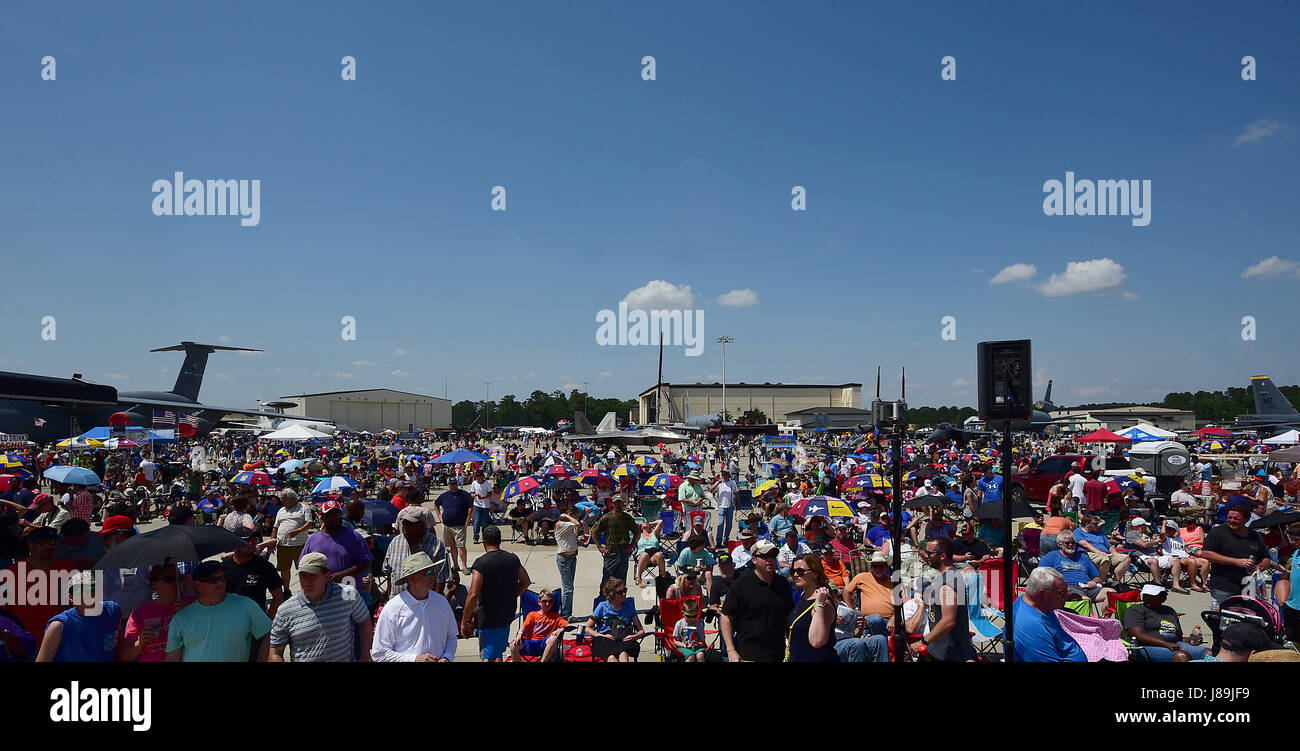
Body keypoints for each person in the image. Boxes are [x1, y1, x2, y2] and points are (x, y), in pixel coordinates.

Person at [269, 552, 372, 662]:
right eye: (303, 575)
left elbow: (364, 622)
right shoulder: (285, 610)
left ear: (327, 576)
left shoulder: (347, 595)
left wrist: (365, 656)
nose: (306, 582)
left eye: (312, 575)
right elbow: (275, 652)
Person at [165, 560, 273, 662]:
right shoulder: (181, 618)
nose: (220, 583)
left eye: (222, 578)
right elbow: (172, 658)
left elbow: (269, 633)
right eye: (213, 580)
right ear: (198, 585)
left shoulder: (246, 606)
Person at [371, 552, 459, 662]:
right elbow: (379, 654)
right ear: (412, 578)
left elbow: (451, 637)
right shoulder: (393, 608)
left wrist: (447, 657)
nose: (433, 576)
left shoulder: (441, 602)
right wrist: (414, 659)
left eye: (434, 571)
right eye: (428, 573)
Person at [461, 526, 530, 662]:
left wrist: (464, 621)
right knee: (497, 652)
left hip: (489, 618)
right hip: (507, 614)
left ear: (484, 541)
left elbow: (473, 594)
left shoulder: (481, 563)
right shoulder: (512, 559)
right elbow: (525, 582)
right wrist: (511, 595)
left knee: (491, 656)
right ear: (499, 541)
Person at [720, 540, 795, 662]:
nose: (770, 560)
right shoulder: (741, 585)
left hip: (777, 654)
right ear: (754, 559)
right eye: (765, 556)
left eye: (773, 556)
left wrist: (790, 642)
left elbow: (788, 617)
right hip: (749, 654)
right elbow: (726, 617)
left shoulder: (783, 584)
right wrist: (731, 650)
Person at [4, 526, 78, 645]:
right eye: (42, 543)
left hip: (62, 643)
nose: (49, 547)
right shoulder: (12, 574)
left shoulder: (69, 569)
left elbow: (86, 603)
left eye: (53, 543)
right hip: (26, 646)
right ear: (30, 544)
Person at [35, 571, 121, 662]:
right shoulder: (58, 626)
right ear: (70, 597)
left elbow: (119, 651)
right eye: (78, 590)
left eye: (90, 588)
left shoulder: (112, 610)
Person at [118, 563, 195, 662]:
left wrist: (190, 614)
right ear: (154, 584)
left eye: (178, 578)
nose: (175, 583)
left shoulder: (194, 603)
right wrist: (139, 643)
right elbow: (124, 656)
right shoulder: (139, 613)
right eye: (168, 579)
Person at [914, 537, 975, 662]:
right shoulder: (945, 578)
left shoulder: (949, 581)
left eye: (930, 553)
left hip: (950, 653)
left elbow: (948, 621)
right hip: (939, 650)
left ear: (943, 556)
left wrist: (923, 641)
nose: (925, 556)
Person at [1199, 503, 1270, 608]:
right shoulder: (1218, 532)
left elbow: (1266, 558)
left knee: (1246, 618)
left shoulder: (1255, 536)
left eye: (1236, 518)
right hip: (1223, 586)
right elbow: (1206, 553)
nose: (1231, 520)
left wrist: (1260, 567)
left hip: (1249, 587)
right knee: (1227, 618)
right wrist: (1236, 562)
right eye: (1229, 517)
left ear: (1246, 519)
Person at [1011, 567, 1087, 662]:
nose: (1066, 596)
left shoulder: (1038, 605)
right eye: (1061, 593)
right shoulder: (1032, 625)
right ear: (1042, 594)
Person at [1123, 583, 1209, 662]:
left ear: (1163, 598)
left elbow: (1178, 637)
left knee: (1209, 653)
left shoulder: (1169, 611)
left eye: (1152, 596)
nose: (1147, 598)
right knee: (1181, 656)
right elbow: (1138, 634)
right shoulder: (1135, 610)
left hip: (1173, 644)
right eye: (1145, 595)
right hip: (1144, 646)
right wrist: (1166, 644)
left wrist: (1191, 640)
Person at [300, 500, 372, 590]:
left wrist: (339, 576)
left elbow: (365, 563)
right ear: (322, 517)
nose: (334, 518)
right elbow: (302, 565)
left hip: (348, 592)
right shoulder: (312, 540)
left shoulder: (355, 536)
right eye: (330, 515)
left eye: (337, 514)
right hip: (321, 591)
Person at [383, 506, 452, 597]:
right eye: (404, 523)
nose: (405, 527)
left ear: (422, 526)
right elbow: (389, 572)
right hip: (398, 601)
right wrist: (389, 597)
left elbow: (442, 579)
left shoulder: (437, 545)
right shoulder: (395, 542)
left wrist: (432, 603)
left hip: (425, 604)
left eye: (410, 524)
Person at [583, 577, 645, 663]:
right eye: (620, 592)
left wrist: (634, 636)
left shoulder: (628, 606)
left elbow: (641, 630)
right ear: (612, 594)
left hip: (624, 637)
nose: (624, 594)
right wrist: (601, 636)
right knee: (611, 658)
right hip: (606, 638)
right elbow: (587, 628)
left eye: (625, 590)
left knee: (623, 655)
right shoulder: (603, 606)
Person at [1124, 518, 1187, 593]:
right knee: (1154, 561)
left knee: (1175, 560)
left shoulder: (1147, 534)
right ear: (1140, 526)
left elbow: (1160, 537)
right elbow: (1143, 545)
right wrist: (1156, 540)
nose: (1146, 527)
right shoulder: (1131, 534)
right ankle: (1158, 584)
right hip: (1140, 557)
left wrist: (1156, 541)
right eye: (1145, 525)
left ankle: (1176, 585)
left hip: (1154, 556)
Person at [591, 496, 638, 591]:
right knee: (607, 581)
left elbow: (637, 532)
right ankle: (604, 601)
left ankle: (619, 602)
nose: (618, 505)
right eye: (616, 503)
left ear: (623, 504)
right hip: (610, 554)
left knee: (621, 582)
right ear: (613, 504)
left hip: (623, 553)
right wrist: (600, 547)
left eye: (620, 503)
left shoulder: (627, 518)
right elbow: (593, 531)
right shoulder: (607, 517)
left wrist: (631, 546)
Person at [510, 589, 567, 662]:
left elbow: (567, 626)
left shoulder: (555, 616)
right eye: (544, 601)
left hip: (545, 643)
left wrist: (560, 630)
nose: (547, 604)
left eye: (550, 602)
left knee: (553, 639)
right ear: (539, 602)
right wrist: (519, 634)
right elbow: (524, 625)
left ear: (553, 603)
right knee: (513, 645)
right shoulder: (532, 615)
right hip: (530, 642)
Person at [272, 490, 312, 591]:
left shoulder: (303, 508)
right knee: (284, 569)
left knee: (303, 569)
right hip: (283, 545)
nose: (281, 500)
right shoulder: (281, 510)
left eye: (283, 498)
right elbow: (275, 527)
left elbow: (309, 523)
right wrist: (272, 541)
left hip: (299, 545)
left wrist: (298, 531)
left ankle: (305, 590)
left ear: (292, 498)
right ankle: (286, 590)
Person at [433, 476, 473, 575]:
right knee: (452, 546)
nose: (453, 486)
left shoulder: (464, 494)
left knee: (461, 546)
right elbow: (436, 504)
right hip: (447, 525)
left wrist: (468, 521)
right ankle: (455, 565)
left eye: (455, 483)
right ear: (448, 485)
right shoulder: (444, 496)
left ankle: (464, 566)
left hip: (460, 525)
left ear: (457, 484)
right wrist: (439, 516)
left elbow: (471, 507)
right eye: (451, 484)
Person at [1073, 514, 1131, 581]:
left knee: (1126, 558)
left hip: (1106, 554)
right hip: (1090, 554)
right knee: (1104, 559)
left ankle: (1116, 581)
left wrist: (1115, 554)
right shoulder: (1078, 532)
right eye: (1095, 524)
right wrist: (1099, 552)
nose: (1097, 526)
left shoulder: (1099, 532)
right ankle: (1102, 581)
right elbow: (1085, 544)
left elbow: (1109, 546)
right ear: (1087, 524)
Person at [1161, 518, 1210, 592]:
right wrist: (1164, 523)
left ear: (1174, 530)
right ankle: (1193, 584)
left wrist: (1189, 554)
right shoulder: (1165, 539)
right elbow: (1162, 533)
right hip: (1174, 558)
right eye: (1167, 529)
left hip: (1185, 557)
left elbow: (1184, 549)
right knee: (1192, 562)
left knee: (1205, 561)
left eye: (1170, 529)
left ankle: (1203, 584)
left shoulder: (1179, 539)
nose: (1168, 530)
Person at [553, 505, 581, 620]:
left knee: (570, 588)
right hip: (564, 559)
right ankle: (565, 614)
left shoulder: (568, 526)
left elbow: (574, 535)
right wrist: (565, 515)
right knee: (568, 588)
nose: (577, 519)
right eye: (575, 517)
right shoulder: (561, 524)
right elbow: (577, 524)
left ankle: (568, 612)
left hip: (572, 557)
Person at [672, 597, 707, 662]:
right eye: (688, 616)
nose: (691, 619)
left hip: (696, 646)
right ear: (683, 613)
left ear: (697, 614)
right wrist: (684, 645)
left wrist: (697, 643)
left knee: (700, 655)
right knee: (691, 655)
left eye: (694, 616)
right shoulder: (679, 624)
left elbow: (702, 642)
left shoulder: (699, 624)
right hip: (683, 647)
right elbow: (675, 641)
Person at [634, 517, 668, 584]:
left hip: (653, 557)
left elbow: (660, 521)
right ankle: (639, 578)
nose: (646, 522)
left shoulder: (654, 534)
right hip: (641, 556)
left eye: (647, 522)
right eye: (644, 522)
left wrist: (650, 523)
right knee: (645, 555)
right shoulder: (638, 535)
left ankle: (664, 577)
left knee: (659, 555)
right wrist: (638, 525)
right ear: (641, 527)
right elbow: (631, 526)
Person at [469, 470, 495, 544]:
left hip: (485, 505)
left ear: (483, 476)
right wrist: (474, 495)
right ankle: (476, 536)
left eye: (480, 477)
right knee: (476, 521)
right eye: (477, 477)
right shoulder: (474, 483)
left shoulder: (487, 483)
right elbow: (471, 493)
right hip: (477, 505)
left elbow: (490, 493)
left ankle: (485, 536)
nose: (479, 478)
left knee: (485, 522)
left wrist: (484, 497)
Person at [713, 470, 737, 541]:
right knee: (720, 524)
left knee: (729, 524)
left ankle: (726, 539)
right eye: (722, 474)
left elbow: (737, 493)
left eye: (725, 474)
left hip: (730, 506)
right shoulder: (720, 484)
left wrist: (738, 504)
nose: (723, 475)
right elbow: (711, 490)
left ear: (728, 475)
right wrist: (717, 482)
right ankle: (719, 540)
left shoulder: (733, 483)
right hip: (721, 506)